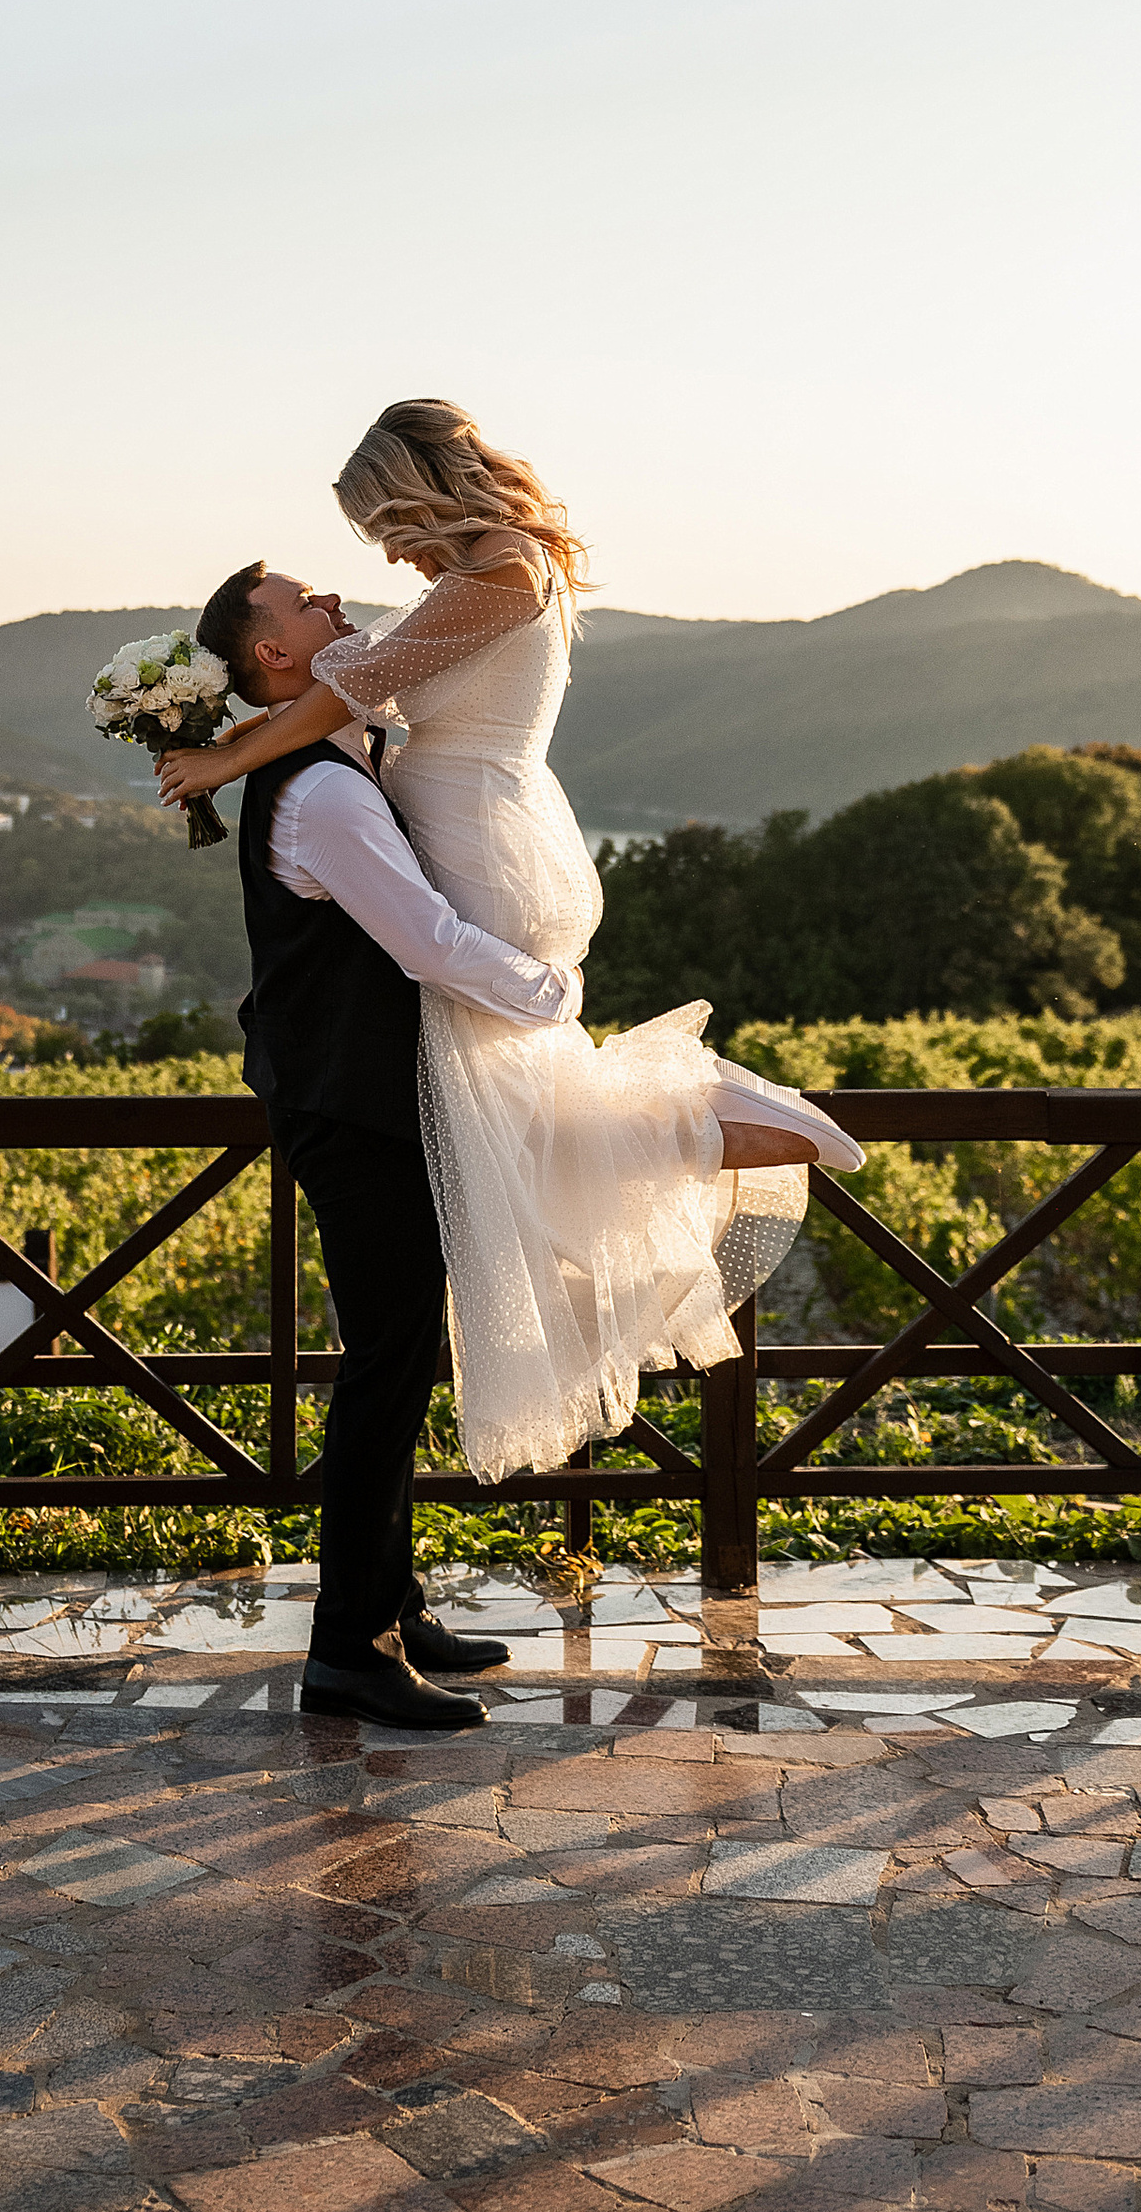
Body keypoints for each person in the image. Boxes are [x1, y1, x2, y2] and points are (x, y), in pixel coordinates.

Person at [166, 403, 865, 1493]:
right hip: (466, 825)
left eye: (385, 524)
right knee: (503, 1114)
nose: (387, 553)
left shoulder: (503, 572)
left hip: (485, 836)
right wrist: (229, 737)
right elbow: (346, 693)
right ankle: (672, 1135)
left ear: (421, 489)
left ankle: (689, 1129)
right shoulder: (471, 576)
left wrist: (221, 762)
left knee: (509, 1102)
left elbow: (349, 690)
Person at [190, 558, 587, 1731]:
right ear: (274, 655)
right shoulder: (320, 793)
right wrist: (549, 992)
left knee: (400, 1358)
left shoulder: (325, 761)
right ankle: (347, 1653)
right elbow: (426, 943)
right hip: (354, 1110)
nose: (342, 611)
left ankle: (391, 1605)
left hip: (359, 1098)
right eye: (311, 606)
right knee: (383, 1369)